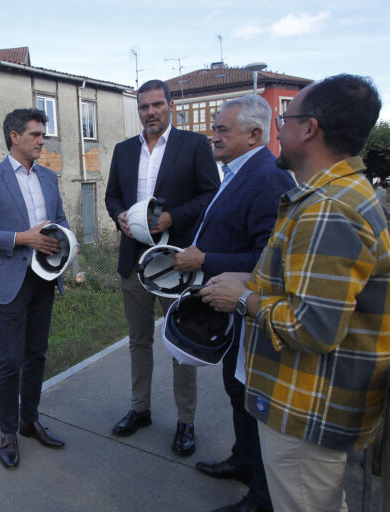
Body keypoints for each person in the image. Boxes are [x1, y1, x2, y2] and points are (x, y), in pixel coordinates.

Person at [198, 74, 389, 512]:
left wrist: (243, 299)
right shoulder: (333, 196)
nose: (277, 129)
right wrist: (251, 281)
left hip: (309, 408)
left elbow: (313, 327)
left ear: (310, 129)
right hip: (309, 403)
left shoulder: (328, 209)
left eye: (285, 117)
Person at [173, 95, 295, 512]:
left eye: (223, 130)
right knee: (236, 388)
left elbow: (268, 258)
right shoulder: (238, 171)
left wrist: (203, 259)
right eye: (215, 128)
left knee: (252, 397)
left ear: (254, 134)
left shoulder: (267, 177)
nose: (214, 136)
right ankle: (244, 462)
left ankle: (260, 498)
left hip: (251, 310)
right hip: (231, 311)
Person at [104, 80, 219, 455]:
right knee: (139, 341)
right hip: (134, 259)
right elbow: (111, 196)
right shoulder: (123, 150)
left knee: (181, 342)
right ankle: (141, 410)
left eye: (156, 105)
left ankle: (186, 420)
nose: (150, 112)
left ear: (170, 105)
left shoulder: (194, 145)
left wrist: (173, 217)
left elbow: (209, 195)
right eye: (143, 107)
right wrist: (119, 215)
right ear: (137, 110)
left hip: (176, 261)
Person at [0, 108, 70, 470]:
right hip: (9, 281)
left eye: (44, 134)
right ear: (14, 136)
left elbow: (61, 222)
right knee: (11, 360)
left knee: (37, 354)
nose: (42, 140)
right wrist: (23, 238)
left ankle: (29, 420)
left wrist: (62, 245)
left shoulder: (50, 178)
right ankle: (8, 431)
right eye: (36, 134)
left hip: (44, 279)